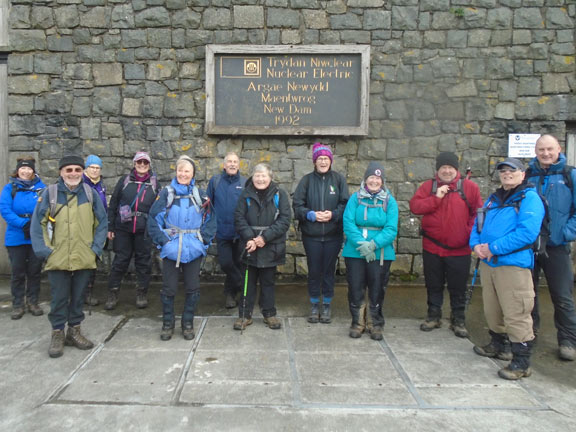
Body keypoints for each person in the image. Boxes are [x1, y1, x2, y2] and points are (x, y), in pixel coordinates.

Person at [470, 158, 544, 380]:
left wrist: (493, 248)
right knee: (492, 308)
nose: (507, 174)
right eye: (503, 171)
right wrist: (476, 245)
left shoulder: (529, 198)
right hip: (489, 263)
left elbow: (527, 233)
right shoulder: (493, 199)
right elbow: (477, 225)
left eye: (512, 170)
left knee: (517, 312)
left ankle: (521, 361)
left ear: (523, 174)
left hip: (513, 265)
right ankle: (498, 344)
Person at [30, 154, 107, 358]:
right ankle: (57, 333)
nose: (73, 173)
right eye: (69, 170)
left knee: (79, 297)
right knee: (58, 298)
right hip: (58, 257)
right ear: (61, 172)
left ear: (82, 172)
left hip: (84, 256)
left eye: (77, 170)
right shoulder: (50, 194)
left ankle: (74, 331)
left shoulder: (91, 195)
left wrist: (95, 249)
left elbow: (102, 223)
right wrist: (46, 251)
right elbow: (39, 224)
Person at [409, 152, 482, 338]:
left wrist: (467, 232)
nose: (447, 171)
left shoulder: (469, 188)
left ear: (456, 169)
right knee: (433, 284)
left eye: (450, 168)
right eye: (443, 167)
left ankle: (458, 319)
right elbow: (415, 207)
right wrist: (436, 198)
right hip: (432, 247)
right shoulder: (428, 187)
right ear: (438, 169)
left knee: (458, 286)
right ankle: (433, 315)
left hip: (459, 248)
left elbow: (478, 213)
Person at [148, 155, 216, 341]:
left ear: (193, 173)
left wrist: (202, 241)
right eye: (180, 170)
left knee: (193, 288)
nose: (183, 174)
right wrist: (164, 242)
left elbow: (211, 221)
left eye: (187, 171)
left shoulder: (200, 195)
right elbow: (153, 220)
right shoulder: (166, 194)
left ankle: (188, 323)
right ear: (176, 172)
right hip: (172, 250)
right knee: (169, 288)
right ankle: (167, 324)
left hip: (193, 249)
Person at [526, 134, 576, 361]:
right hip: (531, 245)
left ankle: (567, 340)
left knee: (562, 296)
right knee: (529, 293)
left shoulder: (570, 175)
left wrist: (565, 233)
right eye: (541, 150)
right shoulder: (528, 175)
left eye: (550, 149)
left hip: (557, 246)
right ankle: (530, 332)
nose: (546, 154)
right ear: (535, 152)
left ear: (559, 149)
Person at [293, 142, 349, 324]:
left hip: (333, 235)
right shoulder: (306, 181)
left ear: (330, 161)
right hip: (312, 236)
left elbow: (345, 205)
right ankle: (314, 303)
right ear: (315, 161)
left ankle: (327, 304)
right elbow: (297, 205)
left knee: (328, 271)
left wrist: (333, 214)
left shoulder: (339, 180)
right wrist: (310, 215)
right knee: (314, 270)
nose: (323, 162)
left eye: (326, 158)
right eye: (320, 159)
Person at [342, 162, 398, 340]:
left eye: (377, 178)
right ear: (365, 179)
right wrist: (362, 244)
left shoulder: (390, 201)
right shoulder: (355, 198)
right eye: (371, 177)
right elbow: (348, 222)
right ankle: (358, 323)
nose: (374, 181)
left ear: (382, 181)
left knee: (377, 288)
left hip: (380, 252)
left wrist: (373, 245)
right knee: (356, 287)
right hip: (355, 251)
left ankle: (375, 324)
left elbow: (391, 228)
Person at [233, 163, 291, 331]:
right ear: (253, 177)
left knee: (268, 282)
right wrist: (250, 238)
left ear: (270, 177)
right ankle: (244, 315)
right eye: (257, 175)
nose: (260, 179)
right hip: (249, 245)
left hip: (270, 245)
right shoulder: (245, 194)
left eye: (264, 175)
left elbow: (285, 220)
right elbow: (239, 218)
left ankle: (269, 314)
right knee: (247, 282)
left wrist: (264, 238)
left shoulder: (280, 195)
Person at [104, 151, 160, 310]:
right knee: (120, 261)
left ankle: (142, 292)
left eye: (145, 163)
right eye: (139, 162)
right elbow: (113, 203)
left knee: (144, 262)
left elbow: (159, 208)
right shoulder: (125, 181)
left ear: (149, 165)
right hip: (123, 228)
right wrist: (110, 226)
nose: (142, 165)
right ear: (134, 164)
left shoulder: (155, 184)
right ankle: (113, 292)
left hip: (144, 230)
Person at [0, 158, 46, 319]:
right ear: (18, 170)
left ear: (33, 171)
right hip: (16, 237)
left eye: (29, 169)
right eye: (22, 169)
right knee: (18, 272)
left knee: (34, 271)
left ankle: (33, 301)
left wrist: (33, 225)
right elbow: (4, 209)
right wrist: (23, 223)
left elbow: (47, 209)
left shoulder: (42, 188)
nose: (26, 172)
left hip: (36, 236)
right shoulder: (9, 189)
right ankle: (18, 304)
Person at [206, 152, 246, 309]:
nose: (232, 164)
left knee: (238, 262)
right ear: (224, 165)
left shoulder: (245, 182)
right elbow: (208, 205)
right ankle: (242, 284)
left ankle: (230, 295)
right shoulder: (215, 181)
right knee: (226, 263)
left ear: (239, 164)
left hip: (240, 232)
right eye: (229, 161)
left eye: (235, 161)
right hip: (222, 232)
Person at [82, 154, 108, 307]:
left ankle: (88, 293)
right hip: (84, 228)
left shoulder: (100, 185)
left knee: (93, 262)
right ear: (86, 168)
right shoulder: (82, 184)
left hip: (98, 229)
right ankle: (81, 294)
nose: (95, 171)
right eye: (92, 167)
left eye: (98, 168)